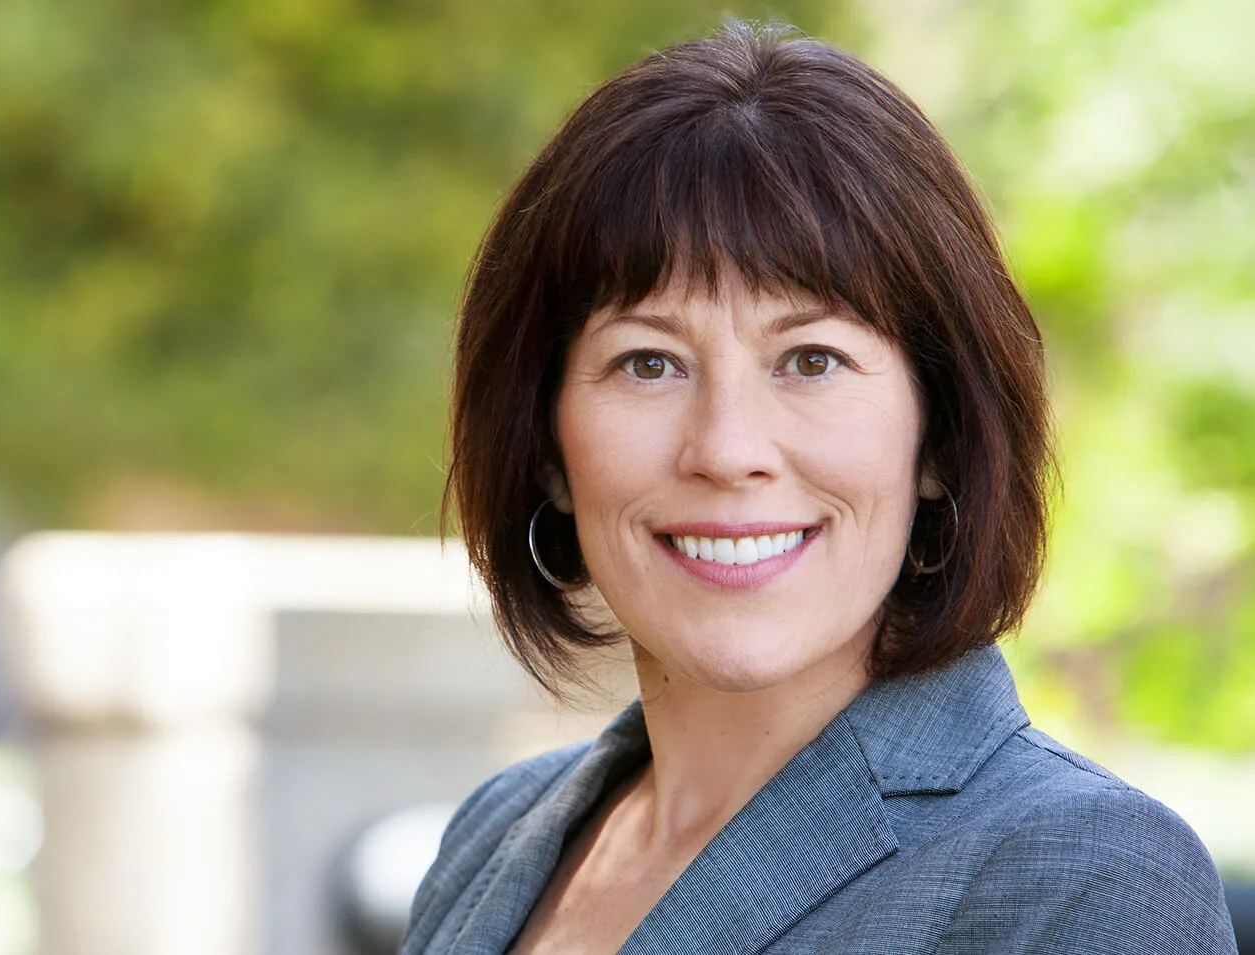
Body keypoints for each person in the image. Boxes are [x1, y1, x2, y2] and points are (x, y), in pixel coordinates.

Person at [401, 21, 1238, 955]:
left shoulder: (1083, 877)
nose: (727, 449)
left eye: (811, 358)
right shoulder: (496, 836)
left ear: (937, 434)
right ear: (547, 443)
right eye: (648, 362)